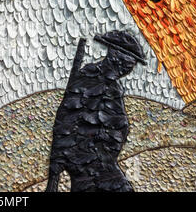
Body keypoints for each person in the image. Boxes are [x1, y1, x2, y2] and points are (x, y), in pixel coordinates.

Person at [46, 30, 146, 192]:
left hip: (98, 161)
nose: (129, 69)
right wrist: (59, 163)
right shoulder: (92, 79)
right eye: (129, 64)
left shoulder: (111, 86)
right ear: (116, 58)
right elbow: (66, 120)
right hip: (91, 162)